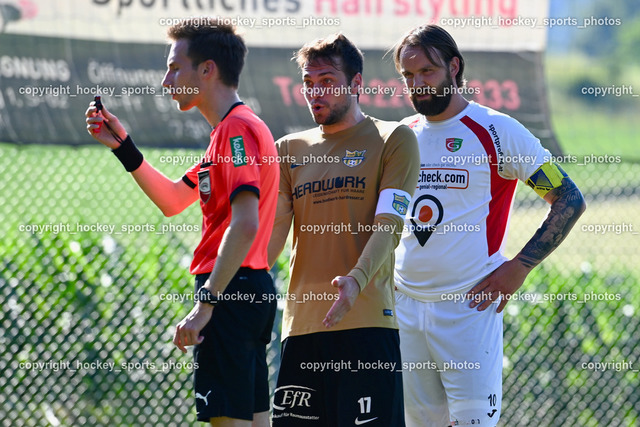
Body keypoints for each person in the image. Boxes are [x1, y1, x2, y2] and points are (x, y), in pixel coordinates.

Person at [85, 20, 278, 427]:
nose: (165, 79)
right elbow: (174, 199)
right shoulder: (227, 132)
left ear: (207, 69)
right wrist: (124, 146)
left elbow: (244, 225)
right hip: (245, 288)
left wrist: (205, 305)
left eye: (175, 67)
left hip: (229, 289)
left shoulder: (236, 130)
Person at [392, 24, 587, 427]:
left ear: (454, 66)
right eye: (408, 76)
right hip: (405, 309)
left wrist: (519, 268)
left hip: (469, 309)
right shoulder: (403, 136)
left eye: (427, 72)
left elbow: (569, 200)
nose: (417, 84)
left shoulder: (498, 131)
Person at [267, 33, 420, 426]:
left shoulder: (393, 139)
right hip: (301, 331)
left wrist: (356, 280)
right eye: (308, 83)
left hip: (367, 325)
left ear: (356, 84)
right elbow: (271, 241)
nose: (315, 92)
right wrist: (228, 286)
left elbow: (390, 224)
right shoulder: (287, 150)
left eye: (327, 81)